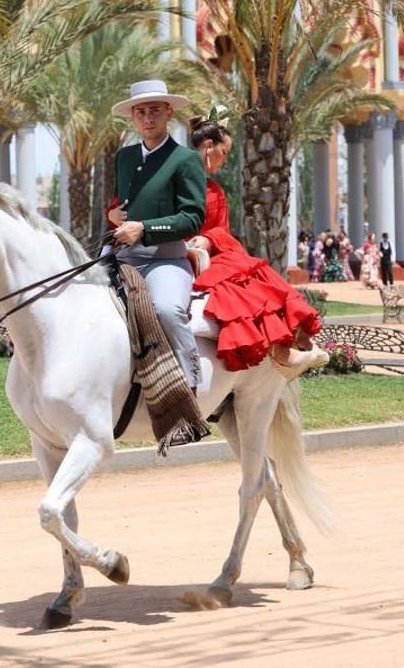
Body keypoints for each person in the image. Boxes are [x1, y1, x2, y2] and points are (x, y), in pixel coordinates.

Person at [187, 117, 327, 379]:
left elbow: (221, 229)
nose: (225, 160)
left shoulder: (214, 190)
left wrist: (209, 239)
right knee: (235, 281)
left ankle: (290, 342)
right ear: (208, 147)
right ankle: (281, 352)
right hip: (183, 253)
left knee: (253, 271)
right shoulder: (177, 181)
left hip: (207, 251)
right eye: (224, 152)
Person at [109, 79, 207, 443]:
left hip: (164, 259)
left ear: (169, 112)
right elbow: (123, 204)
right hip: (122, 255)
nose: (147, 117)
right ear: (133, 117)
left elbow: (193, 218)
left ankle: (189, 393)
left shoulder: (186, 160)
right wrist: (116, 217)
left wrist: (144, 229)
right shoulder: (125, 157)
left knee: (167, 309)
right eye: (140, 111)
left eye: (154, 110)